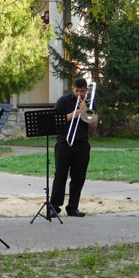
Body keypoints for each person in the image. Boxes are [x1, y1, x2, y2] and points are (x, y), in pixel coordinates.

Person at [50, 78, 98, 217]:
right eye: (77, 91)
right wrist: (75, 114)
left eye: (82, 91)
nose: (79, 94)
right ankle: (54, 206)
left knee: (78, 177)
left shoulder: (90, 102)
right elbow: (56, 120)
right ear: (73, 89)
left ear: (86, 90)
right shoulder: (63, 101)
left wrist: (86, 111)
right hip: (64, 143)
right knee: (60, 176)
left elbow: (94, 125)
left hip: (82, 145)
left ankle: (73, 207)